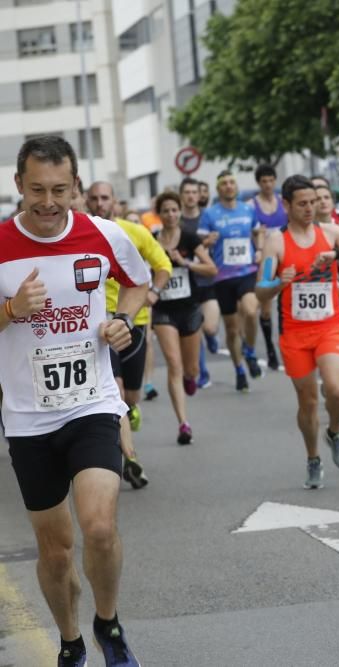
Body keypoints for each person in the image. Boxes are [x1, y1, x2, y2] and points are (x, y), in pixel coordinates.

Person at [2, 135, 148, 666]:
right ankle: (70, 638)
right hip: (26, 419)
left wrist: (122, 320)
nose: (47, 201)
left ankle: (108, 625)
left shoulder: (103, 234)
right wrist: (13, 309)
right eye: (36, 189)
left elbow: (139, 283)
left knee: (101, 527)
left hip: (91, 403)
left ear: (76, 185)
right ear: (18, 184)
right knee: (56, 551)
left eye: (59, 189)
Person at [256, 176, 339, 488]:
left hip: (330, 326)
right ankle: (313, 457)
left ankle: (334, 431)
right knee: (308, 401)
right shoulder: (276, 241)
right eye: (302, 204)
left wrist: (336, 255)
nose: (310, 208)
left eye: (313, 202)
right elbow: (260, 290)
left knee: (337, 390)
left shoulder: (330, 232)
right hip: (295, 333)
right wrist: (279, 282)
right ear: (287, 205)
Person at [88, 181, 171, 490]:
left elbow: (162, 265)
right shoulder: (84, 234)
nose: (99, 203)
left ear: (115, 202)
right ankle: (131, 458)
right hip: (100, 328)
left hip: (134, 322)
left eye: (105, 198)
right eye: (94, 198)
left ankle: (129, 416)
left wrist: (153, 292)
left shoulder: (132, 233)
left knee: (131, 397)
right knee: (117, 392)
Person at [151, 191, 218, 444]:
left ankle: (191, 378)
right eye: (166, 210)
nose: (170, 215)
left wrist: (184, 262)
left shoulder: (189, 238)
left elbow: (211, 268)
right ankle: (183, 423)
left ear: (179, 212)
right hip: (163, 309)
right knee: (174, 364)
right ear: (160, 214)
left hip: (189, 308)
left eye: (174, 210)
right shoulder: (153, 240)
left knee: (190, 369)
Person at [199, 170, 263, 391]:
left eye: (231, 182)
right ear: (218, 188)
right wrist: (208, 241)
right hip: (223, 277)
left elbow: (258, 232)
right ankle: (239, 370)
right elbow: (201, 245)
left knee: (251, 310)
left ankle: (251, 351)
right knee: (232, 329)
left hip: (246, 272)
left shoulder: (248, 209)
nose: (228, 186)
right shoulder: (210, 214)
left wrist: (260, 249)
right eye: (224, 183)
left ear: (236, 187)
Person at [180, 176, 217, 388]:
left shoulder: (208, 217)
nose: (192, 196)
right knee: (195, 328)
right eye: (187, 193)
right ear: (182, 195)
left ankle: (213, 338)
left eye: (195, 192)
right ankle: (202, 372)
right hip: (187, 285)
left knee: (210, 328)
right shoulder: (177, 220)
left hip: (207, 281)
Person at [249, 164, 286, 371]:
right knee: (265, 303)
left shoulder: (283, 203)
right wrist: (257, 245)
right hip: (265, 258)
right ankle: (270, 346)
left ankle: (282, 344)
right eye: (264, 181)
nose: (268, 184)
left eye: (271, 180)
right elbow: (249, 231)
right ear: (259, 183)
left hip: (284, 256)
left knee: (285, 299)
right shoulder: (252, 205)